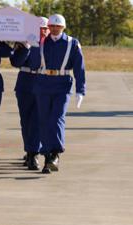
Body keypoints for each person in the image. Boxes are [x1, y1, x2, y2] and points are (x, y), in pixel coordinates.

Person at [36, 14, 86, 173]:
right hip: (44, 83)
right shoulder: (42, 42)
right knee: (44, 120)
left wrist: (80, 90)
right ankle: (46, 157)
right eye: (52, 26)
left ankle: (55, 154)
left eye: (58, 26)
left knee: (57, 118)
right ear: (48, 27)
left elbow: (79, 68)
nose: (55, 29)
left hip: (62, 84)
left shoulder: (72, 43)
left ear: (63, 27)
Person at [9, 17, 50, 171]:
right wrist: (25, 46)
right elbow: (16, 62)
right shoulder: (24, 42)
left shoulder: (50, 44)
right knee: (26, 120)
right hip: (25, 83)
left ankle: (34, 153)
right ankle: (29, 149)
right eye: (40, 29)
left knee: (38, 120)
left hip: (43, 82)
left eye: (45, 28)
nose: (43, 31)